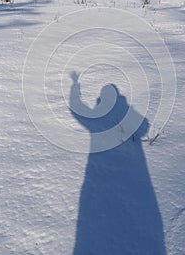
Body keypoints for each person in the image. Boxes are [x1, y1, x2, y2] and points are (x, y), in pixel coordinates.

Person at [70, 72, 167, 255]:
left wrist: (74, 86)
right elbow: (144, 126)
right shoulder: (124, 110)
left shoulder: (115, 113)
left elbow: (78, 112)